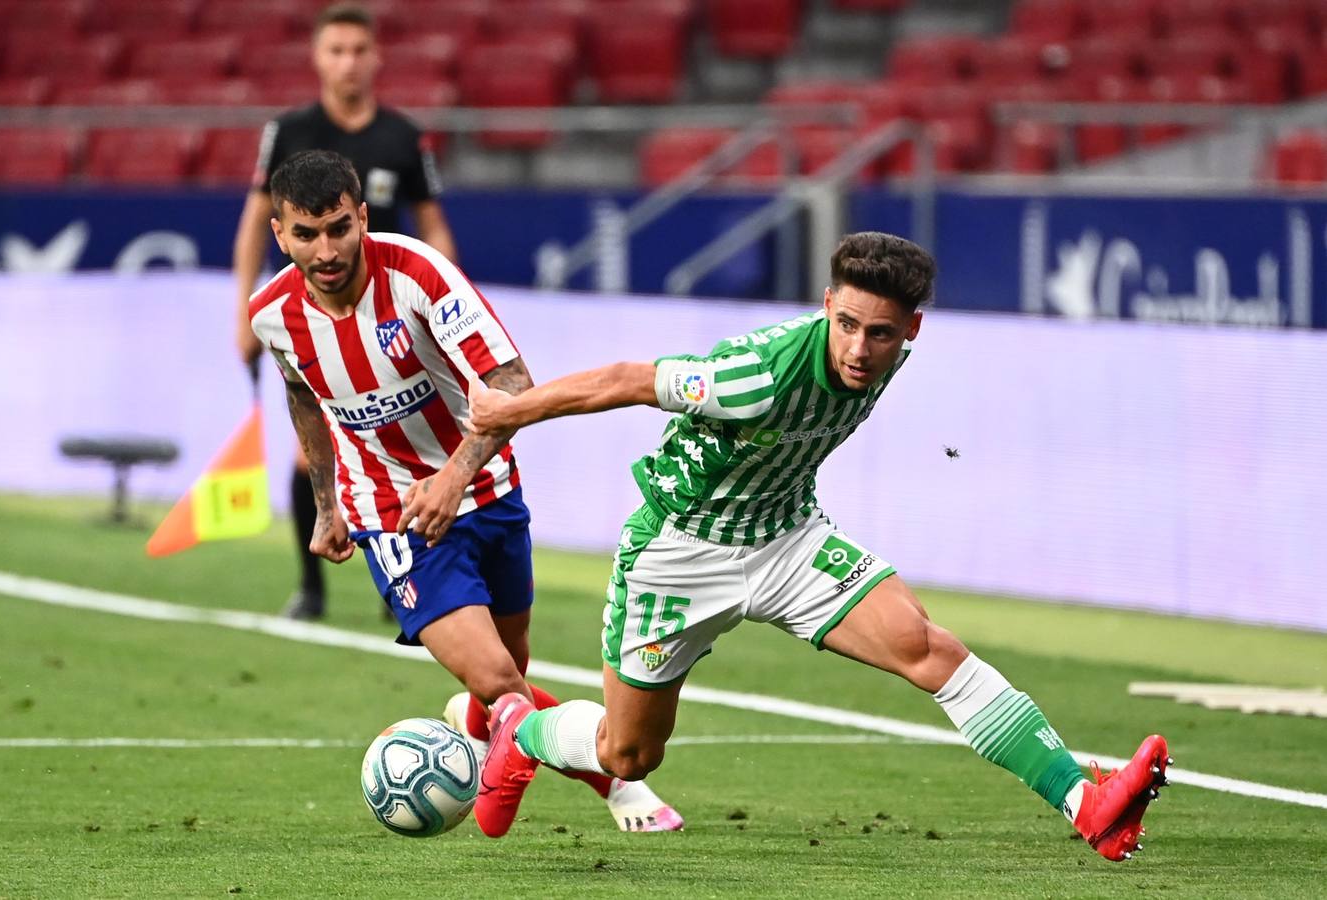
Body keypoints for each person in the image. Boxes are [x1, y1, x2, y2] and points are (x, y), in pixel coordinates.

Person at [465, 231, 1172, 860]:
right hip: (679, 555)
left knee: (926, 645)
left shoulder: (886, 357)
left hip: (786, 537)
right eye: (847, 325)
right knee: (629, 755)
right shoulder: (758, 376)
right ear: (826, 303)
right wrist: (509, 410)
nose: (861, 348)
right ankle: (523, 732)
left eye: (883, 334)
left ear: (912, 329)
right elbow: (628, 380)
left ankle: (1088, 806)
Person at [247, 149, 681, 833]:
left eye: (338, 227)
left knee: (504, 674)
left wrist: (453, 475)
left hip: (488, 491)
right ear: (280, 233)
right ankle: (614, 781)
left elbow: (512, 383)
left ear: (362, 216)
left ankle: (476, 721)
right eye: (306, 234)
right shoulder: (271, 315)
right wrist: (330, 504)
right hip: (393, 516)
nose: (325, 249)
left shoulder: (419, 276)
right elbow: (303, 392)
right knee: (504, 691)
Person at [233, 1, 457, 621]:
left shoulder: (403, 138)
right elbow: (255, 224)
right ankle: (312, 586)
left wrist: (447, 305)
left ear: (376, 58)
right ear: (317, 58)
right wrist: (242, 314)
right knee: (312, 452)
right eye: (336, 50)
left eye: (359, 51)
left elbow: (434, 227)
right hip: (313, 315)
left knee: (409, 444)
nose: (348, 63)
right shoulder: (289, 133)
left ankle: (407, 583)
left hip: (392, 317)